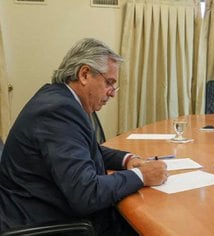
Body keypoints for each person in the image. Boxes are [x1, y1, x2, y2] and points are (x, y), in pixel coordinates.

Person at [0, 38, 168, 235]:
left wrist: (128, 160)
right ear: (85, 74)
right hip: (47, 221)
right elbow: (86, 194)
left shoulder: (58, 98)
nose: (112, 93)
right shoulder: (59, 111)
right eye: (109, 83)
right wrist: (142, 176)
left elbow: (89, 149)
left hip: (44, 207)